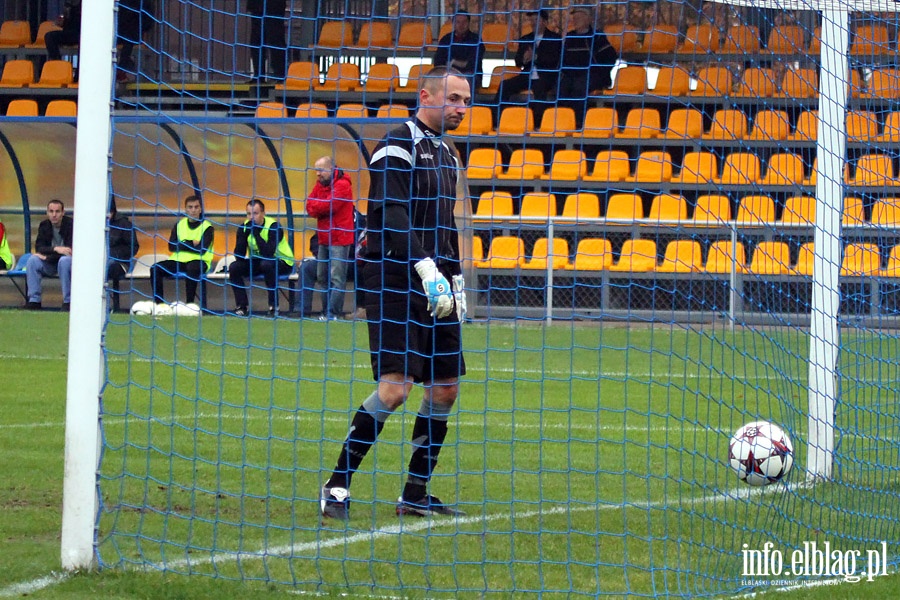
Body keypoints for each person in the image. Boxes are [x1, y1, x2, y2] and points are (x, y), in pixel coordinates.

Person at [320, 67, 470, 521]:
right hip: (394, 280)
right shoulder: (396, 143)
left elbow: (445, 226)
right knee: (395, 390)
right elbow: (391, 213)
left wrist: (455, 279)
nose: (463, 108)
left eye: (466, 100)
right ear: (426, 95)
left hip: (436, 285)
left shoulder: (446, 154)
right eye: (456, 99)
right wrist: (424, 266)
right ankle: (337, 486)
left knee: (445, 389)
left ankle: (415, 492)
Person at [306, 156, 355, 320]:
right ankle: (325, 312)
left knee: (336, 278)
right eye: (316, 170)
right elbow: (309, 206)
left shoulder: (343, 185)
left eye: (320, 170)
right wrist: (320, 205)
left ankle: (333, 313)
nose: (317, 174)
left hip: (339, 239)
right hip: (323, 238)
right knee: (322, 277)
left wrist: (319, 205)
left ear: (331, 169)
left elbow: (330, 205)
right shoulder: (320, 185)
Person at [494, 9, 562, 127]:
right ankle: (496, 121)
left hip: (545, 76)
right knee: (505, 85)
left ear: (545, 22)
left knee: (540, 89)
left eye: (537, 20)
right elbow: (518, 62)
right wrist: (524, 59)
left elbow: (553, 60)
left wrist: (535, 57)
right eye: (532, 20)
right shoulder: (526, 38)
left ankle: (537, 125)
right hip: (527, 75)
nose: (533, 23)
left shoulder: (555, 38)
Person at [228, 198, 294, 316]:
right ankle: (242, 306)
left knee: (267, 264)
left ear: (263, 213)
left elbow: (268, 253)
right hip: (259, 261)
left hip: (282, 262)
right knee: (234, 267)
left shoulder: (274, 226)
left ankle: (274, 307)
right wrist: (243, 237)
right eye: (249, 214)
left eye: (255, 213)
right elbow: (239, 256)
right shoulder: (244, 227)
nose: (251, 217)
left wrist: (256, 233)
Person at [558, 6, 617, 127]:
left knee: (579, 86)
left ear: (588, 19)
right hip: (571, 75)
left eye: (579, 18)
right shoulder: (569, 37)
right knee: (562, 86)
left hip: (592, 75)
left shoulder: (597, 37)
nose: (575, 20)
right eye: (574, 18)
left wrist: (599, 72)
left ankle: (578, 123)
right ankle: (563, 122)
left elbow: (610, 57)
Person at [150, 195, 214, 307]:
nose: (193, 210)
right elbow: (171, 246)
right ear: (185, 209)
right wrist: (190, 242)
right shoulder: (179, 225)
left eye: (196, 207)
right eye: (190, 207)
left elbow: (201, 250)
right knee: (155, 268)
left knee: (192, 268)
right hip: (178, 261)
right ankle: (159, 305)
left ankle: (189, 304)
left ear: (200, 209)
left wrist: (182, 244)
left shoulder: (207, 227)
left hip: (199, 261)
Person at [25, 199, 73, 311]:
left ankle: (68, 301)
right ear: (47, 212)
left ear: (63, 212)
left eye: (57, 211)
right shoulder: (44, 225)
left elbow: (71, 251)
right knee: (33, 260)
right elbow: (39, 248)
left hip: (68, 263)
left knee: (64, 261)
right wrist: (56, 249)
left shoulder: (71, 225)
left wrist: (48, 256)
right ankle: (34, 301)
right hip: (51, 263)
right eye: (51, 211)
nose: (54, 215)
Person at [432, 11, 485, 92]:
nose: (461, 25)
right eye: (458, 22)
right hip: (448, 74)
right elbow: (438, 62)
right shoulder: (446, 39)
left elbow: (472, 64)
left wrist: (453, 62)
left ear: (468, 23)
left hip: (469, 75)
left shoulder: (476, 40)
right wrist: (460, 64)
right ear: (453, 24)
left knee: (466, 80)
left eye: (464, 22)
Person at [107, 198, 140, 309]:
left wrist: (113, 254)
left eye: (109, 213)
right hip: (99, 262)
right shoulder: (94, 223)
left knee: (110, 267)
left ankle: (114, 306)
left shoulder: (125, 224)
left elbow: (133, 247)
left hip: (120, 263)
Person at [247, 0, 287, 82]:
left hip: (274, 6)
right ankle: (258, 75)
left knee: (275, 39)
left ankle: (280, 75)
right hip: (258, 6)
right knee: (256, 40)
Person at [116, 0, 156, 82]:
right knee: (129, 39)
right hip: (128, 30)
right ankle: (122, 69)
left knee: (129, 39)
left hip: (130, 30)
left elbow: (147, 21)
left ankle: (122, 69)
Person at [293, 232, 319, 318]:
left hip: (351, 262)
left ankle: (332, 313)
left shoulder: (359, 222)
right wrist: (323, 254)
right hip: (326, 260)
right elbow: (315, 242)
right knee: (306, 268)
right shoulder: (328, 221)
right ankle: (302, 310)